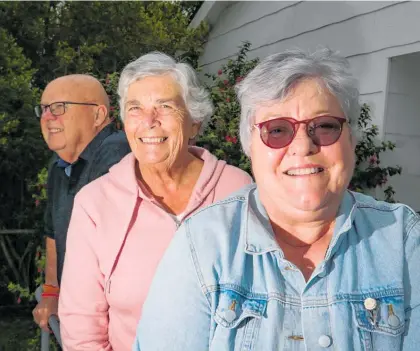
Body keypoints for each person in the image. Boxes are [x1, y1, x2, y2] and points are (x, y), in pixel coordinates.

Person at [134, 48, 420, 350]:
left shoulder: (403, 241)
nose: (302, 146)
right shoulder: (203, 245)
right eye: (278, 130)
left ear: (351, 138)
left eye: (324, 126)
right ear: (250, 146)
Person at [58, 52, 253, 350]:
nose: (149, 122)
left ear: (194, 122)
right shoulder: (95, 203)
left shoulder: (238, 189)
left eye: (165, 106)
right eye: (135, 109)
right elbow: (81, 329)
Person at [32, 74, 130, 333]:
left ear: (98, 116)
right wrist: (52, 292)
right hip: (83, 317)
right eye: (43, 109)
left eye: (58, 108)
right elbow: (52, 233)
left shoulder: (118, 153)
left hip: (116, 322)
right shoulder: (58, 165)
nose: (47, 117)